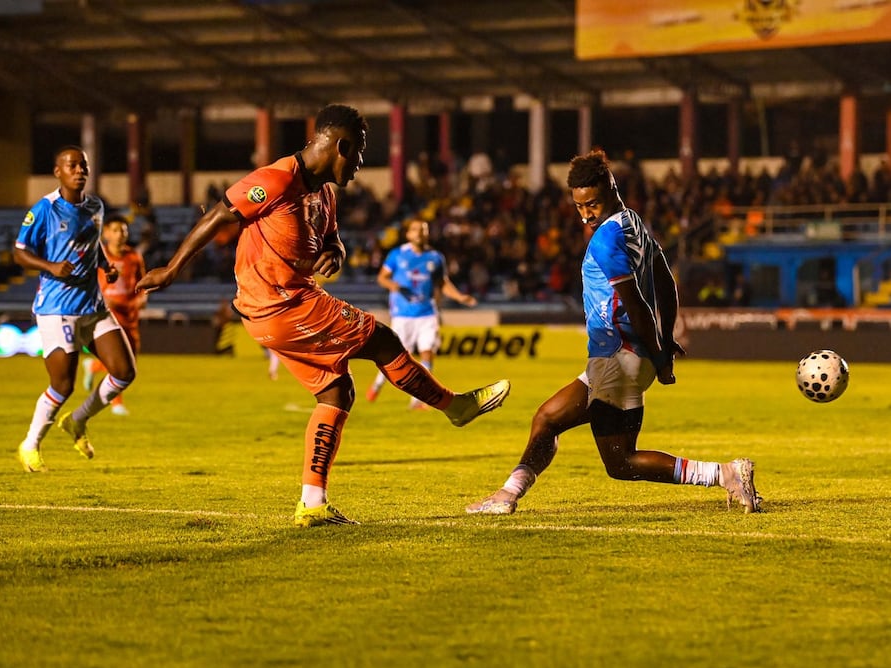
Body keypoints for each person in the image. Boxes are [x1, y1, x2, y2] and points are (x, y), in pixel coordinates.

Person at [136, 104, 510, 527]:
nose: (361, 163)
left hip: (279, 308)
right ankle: (454, 406)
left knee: (337, 393)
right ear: (342, 147)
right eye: (360, 152)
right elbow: (221, 214)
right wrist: (171, 270)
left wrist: (335, 251)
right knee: (382, 339)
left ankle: (312, 503)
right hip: (280, 303)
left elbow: (332, 240)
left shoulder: (325, 195)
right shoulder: (276, 179)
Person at [466, 149, 761, 515]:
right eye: (579, 207)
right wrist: (665, 339)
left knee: (620, 461)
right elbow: (665, 281)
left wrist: (660, 353)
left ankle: (725, 474)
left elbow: (635, 302)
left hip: (618, 357)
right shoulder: (632, 223)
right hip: (623, 357)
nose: (585, 215)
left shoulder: (606, 240)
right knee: (548, 419)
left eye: (592, 204)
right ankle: (506, 496)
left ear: (611, 189)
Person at [13, 145, 137, 473]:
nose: (79, 170)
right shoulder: (44, 210)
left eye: (83, 165)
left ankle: (77, 421)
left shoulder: (95, 206)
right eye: (72, 165)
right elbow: (19, 252)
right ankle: (30, 444)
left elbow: (92, 243)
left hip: (92, 304)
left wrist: (106, 265)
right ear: (58, 172)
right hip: (57, 309)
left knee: (124, 372)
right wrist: (50, 266)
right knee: (63, 385)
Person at [366, 218, 477, 409]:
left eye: (423, 229)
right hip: (402, 315)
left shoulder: (435, 257)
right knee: (396, 357)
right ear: (408, 234)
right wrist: (393, 285)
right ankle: (377, 385)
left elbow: (442, 283)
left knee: (428, 353)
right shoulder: (397, 255)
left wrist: (459, 297)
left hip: (427, 313)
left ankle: (418, 401)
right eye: (416, 229)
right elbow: (382, 278)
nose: (420, 232)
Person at [82, 214, 146, 416]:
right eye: (116, 230)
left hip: (129, 313)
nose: (120, 234)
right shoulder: (97, 256)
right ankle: (116, 403)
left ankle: (93, 366)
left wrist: (142, 298)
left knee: (130, 363)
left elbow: (143, 283)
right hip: (107, 314)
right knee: (118, 362)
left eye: (123, 230)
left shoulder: (134, 257)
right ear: (106, 233)